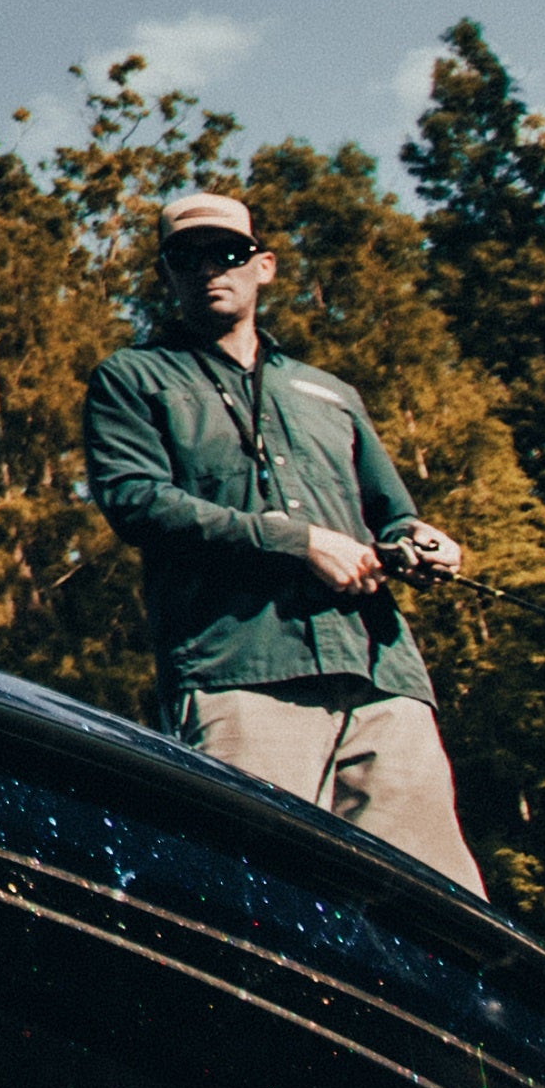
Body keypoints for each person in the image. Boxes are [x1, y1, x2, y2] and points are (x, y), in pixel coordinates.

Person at [79, 188, 486, 891]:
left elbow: (393, 515)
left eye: (228, 253)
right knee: (261, 900)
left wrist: (423, 542)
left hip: (382, 679)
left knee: (433, 907)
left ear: (263, 266)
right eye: (187, 257)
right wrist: (299, 542)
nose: (210, 269)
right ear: (167, 273)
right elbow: (137, 502)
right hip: (239, 676)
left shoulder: (331, 392)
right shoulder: (133, 378)